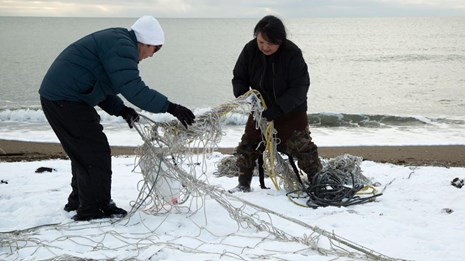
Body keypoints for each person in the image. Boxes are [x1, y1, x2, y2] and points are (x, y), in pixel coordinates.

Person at [39, 16, 195, 221]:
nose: (152, 55)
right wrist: (171, 107)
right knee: (94, 151)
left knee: (84, 152)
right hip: (65, 99)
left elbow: (100, 83)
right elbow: (134, 89)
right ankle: (93, 209)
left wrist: (121, 110)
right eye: (155, 49)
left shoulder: (119, 41)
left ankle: (81, 202)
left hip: (63, 98)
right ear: (146, 42)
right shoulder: (122, 46)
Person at [231, 15, 322, 192]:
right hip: (261, 111)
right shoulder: (250, 50)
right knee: (248, 145)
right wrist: (246, 96)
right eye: (261, 42)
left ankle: (317, 183)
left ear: (280, 40)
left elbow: (300, 87)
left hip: (291, 111)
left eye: (270, 43)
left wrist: (279, 108)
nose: (265, 47)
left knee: (304, 149)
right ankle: (243, 185)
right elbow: (239, 77)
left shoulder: (292, 53)